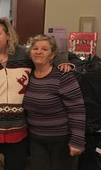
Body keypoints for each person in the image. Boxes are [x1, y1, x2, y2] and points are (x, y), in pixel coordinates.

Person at [0, 18, 72, 170]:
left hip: (18, 125)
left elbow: (45, 53)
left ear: (8, 35)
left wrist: (63, 61)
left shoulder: (24, 54)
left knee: (16, 165)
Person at [23, 34, 86, 170]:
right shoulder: (28, 76)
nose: (39, 51)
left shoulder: (63, 76)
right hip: (36, 139)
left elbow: (77, 110)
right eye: (35, 48)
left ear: (52, 55)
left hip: (61, 139)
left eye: (45, 49)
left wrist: (77, 140)